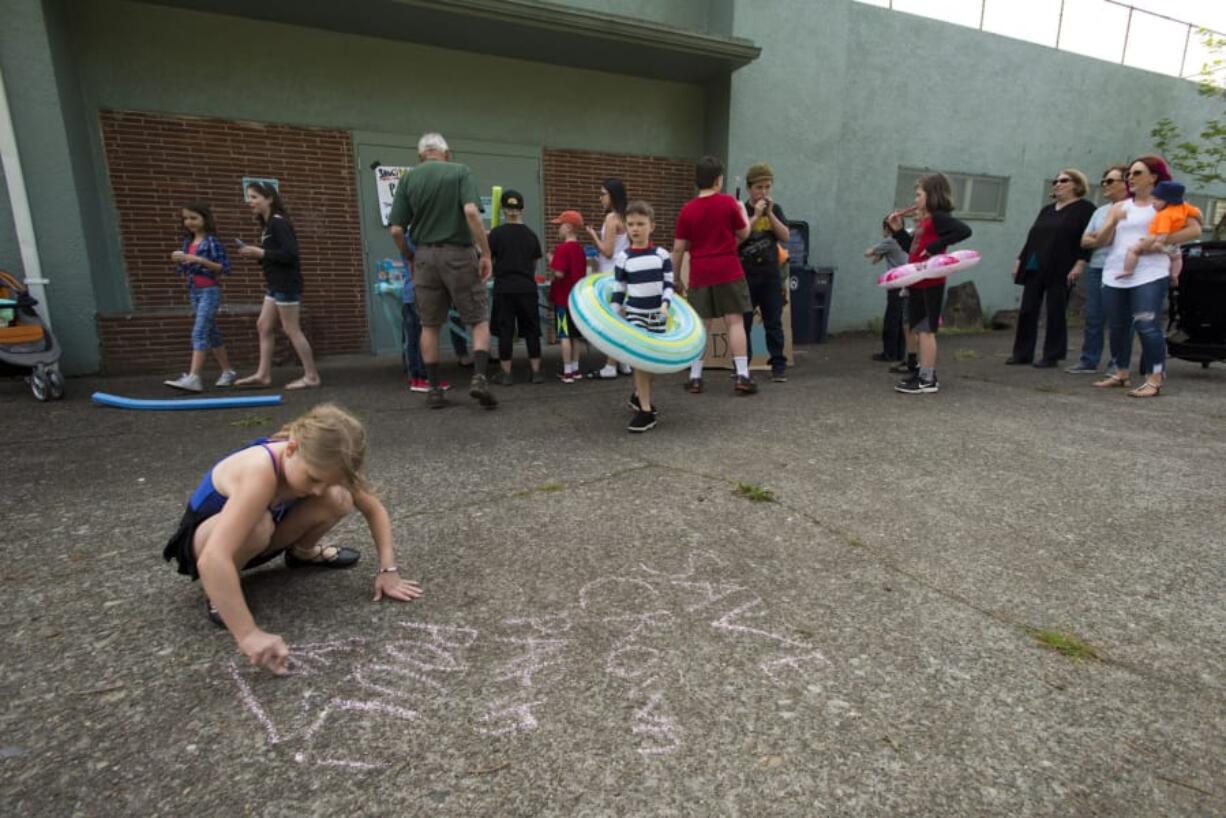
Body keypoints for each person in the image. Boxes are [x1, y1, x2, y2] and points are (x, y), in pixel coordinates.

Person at [161, 403, 423, 675]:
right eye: (313, 478)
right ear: (291, 449)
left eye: (326, 480)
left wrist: (388, 570)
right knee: (258, 527)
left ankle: (302, 553)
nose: (317, 488)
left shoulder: (326, 461)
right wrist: (248, 634)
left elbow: (374, 509)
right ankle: (217, 592)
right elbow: (213, 557)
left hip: (263, 535)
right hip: (209, 545)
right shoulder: (259, 471)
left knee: (339, 497)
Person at [387, 132, 496, 410]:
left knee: (429, 325)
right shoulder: (459, 171)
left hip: (424, 255)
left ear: (421, 155)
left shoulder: (408, 179)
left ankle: (434, 389)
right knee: (478, 319)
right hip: (458, 254)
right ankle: (480, 378)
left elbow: (397, 230)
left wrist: (410, 256)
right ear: (446, 153)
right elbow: (471, 212)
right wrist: (485, 252)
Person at [1084, 156, 1202, 398]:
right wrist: (1112, 222)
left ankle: (1155, 377)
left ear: (1153, 177)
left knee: (1147, 324)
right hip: (1116, 272)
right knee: (1117, 327)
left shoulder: (1167, 204)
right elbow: (1100, 241)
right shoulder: (1120, 206)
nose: (1130, 178)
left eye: (1137, 173)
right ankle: (1120, 372)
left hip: (1150, 272)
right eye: (1129, 174)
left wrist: (1156, 242)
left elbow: (1195, 229)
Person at [672, 155, 756, 396]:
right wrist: (742, 211)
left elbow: (679, 248)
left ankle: (695, 377)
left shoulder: (687, 210)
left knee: (701, 327)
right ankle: (742, 375)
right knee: (735, 322)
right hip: (729, 270)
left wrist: (675, 278)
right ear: (719, 180)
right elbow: (744, 233)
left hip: (700, 273)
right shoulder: (729, 203)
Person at [887, 173, 972, 395]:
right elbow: (912, 250)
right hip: (917, 280)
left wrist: (936, 247)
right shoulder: (924, 221)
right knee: (917, 327)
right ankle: (920, 371)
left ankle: (928, 378)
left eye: (918, 195)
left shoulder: (939, 218)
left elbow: (964, 231)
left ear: (932, 195)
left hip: (930, 282)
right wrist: (897, 230)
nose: (915, 200)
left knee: (926, 330)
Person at [234, 182, 321, 390]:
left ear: (270, 198)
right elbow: (274, 256)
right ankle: (263, 374)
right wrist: (256, 254)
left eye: (255, 197)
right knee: (263, 325)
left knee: (291, 329)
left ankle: (311, 376)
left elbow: (291, 254)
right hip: (274, 284)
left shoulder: (278, 223)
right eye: (249, 197)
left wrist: (261, 253)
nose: (250, 202)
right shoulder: (267, 226)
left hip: (285, 284)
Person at [1007, 169, 1097, 368]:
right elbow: (1033, 237)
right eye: (1055, 181)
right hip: (1035, 263)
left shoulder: (1085, 209)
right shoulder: (1047, 210)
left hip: (1062, 266)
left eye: (1063, 180)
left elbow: (1089, 239)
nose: (1057, 184)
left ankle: (1052, 355)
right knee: (1028, 309)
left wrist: (1081, 263)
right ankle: (1022, 353)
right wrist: (1020, 259)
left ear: (1076, 184)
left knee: (1055, 310)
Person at [613, 200, 673, 432]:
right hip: (635, 315)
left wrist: (665, 305)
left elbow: (668, 284)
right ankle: (646, 411)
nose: (635, 229)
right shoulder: (623, 257)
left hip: (657, 315)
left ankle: (639, 395)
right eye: (631, 224)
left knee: (652, 364)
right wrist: (613, 313)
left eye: (640, 224)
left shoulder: (661, 255)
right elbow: (619, 288)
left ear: (652, 226)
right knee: (640, 360)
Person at [164, 202, 236, 392]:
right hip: (194, 292)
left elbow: (224, 267)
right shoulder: (188, 243)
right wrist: (179, 259)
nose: (189, 222)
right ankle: (228, 371)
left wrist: (200, 260)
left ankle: (194, 377)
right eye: (186, 218)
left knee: (199, 332)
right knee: (211, 333)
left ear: (205, 219)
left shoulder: (212, 242)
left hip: (210, 292)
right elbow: (185, 269)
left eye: (194, 218)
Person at [1067, 165, 1131, 375]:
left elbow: (1116, 239)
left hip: (1122, 270)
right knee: (1094, 317)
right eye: (1104, 181)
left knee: (1119, 320)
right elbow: (1085, 241)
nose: (1105, 185)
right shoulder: (1100, 211)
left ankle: (1117, 364)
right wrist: (1101, 237)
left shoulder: (1133, 209)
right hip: (1097, 268)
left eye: (1110, 181)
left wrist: (1100, 237)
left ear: (1126, 183)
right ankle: (1088, 360)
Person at [738, 163, 790, 382]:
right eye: (759, 187)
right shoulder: (740, 209)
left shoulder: (775, 209)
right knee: (744, 323)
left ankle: (778, 364)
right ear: (750, 188)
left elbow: (785, 236)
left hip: (770, 275)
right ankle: (742, 366)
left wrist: (769, 214)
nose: (764, 192)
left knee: (773, 322)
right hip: (746, 276)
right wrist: (755, 215)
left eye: (767, 187)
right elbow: (738, 236)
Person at [487, 189, 544, 385]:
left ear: (503, 210)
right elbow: (534, 264)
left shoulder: (495, 234)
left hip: (504, 288)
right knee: (532, 330)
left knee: (505, 330)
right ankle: (536, 371)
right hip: (527, 288)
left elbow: (489, 261)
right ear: (522, 210)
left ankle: (506, 373)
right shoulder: (531, 235)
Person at [585, 179, 632, 379]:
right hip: (623, 275)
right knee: (622, 320)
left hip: (611, 276)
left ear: (612, 195)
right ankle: (624, 363)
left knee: (612, 322)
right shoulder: (626, 217)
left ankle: (610, 366)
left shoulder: (612, 218)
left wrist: (593, 236)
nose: (600, 198)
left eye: (603, 194)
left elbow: (608, 251)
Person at [400, 229, 450, 394]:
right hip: (418, 292)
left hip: (411, 292)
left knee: (414, 336)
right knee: (421, 335)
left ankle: (417, 377)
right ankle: (422, 377)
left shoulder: (408, 237)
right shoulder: (416, 238)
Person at [1122, 180, 1200, 283]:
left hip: (1157, 240)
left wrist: (1158, 242)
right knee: (1177, 258)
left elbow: (1163, 231)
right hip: (1173, 246)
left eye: (1157, 199)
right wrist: (1201, 220)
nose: (1153, 202)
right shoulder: (1184, 207)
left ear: (1168, 201)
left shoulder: (1164, 214)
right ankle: (1175, 274)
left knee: (1133, 250)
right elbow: (1197, 213)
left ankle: (1128, 270)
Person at [548, 210, 589, 383]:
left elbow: (559, 273)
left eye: (560, 226)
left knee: (564, 335)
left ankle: (567, 372)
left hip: (562, 300)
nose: (558, 229)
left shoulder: (562, 249)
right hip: (576, 301)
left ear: (569, 228)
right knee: (576, 336)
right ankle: (575, 368)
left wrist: (551, 259)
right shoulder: (580, 250)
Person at [864, 217, 910, 363]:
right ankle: (898, 354)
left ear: (887, 228)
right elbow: (876, 260)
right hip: (907, 283)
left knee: (891, 320)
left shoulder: (890, 241)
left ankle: (889, 354)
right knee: (900, 320)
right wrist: (882, 253)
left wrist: (880, 250)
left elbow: (869, 254)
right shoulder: (904, 240)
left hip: (896, 285)